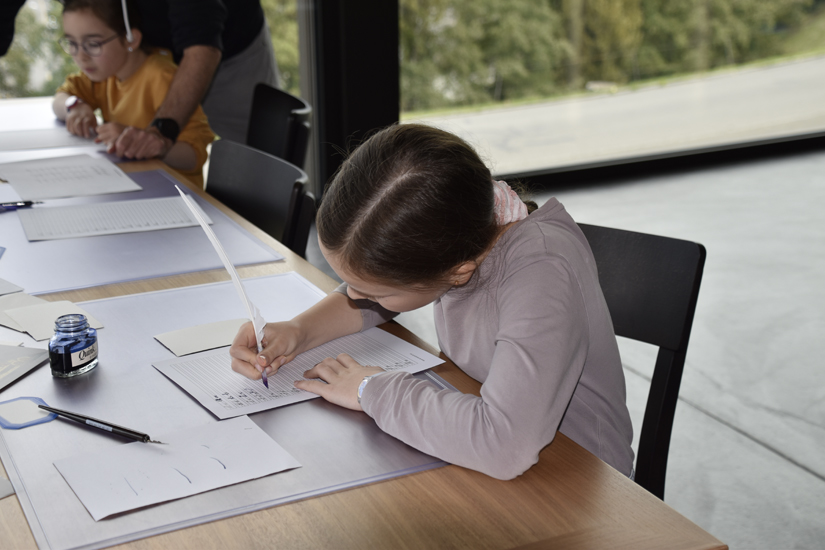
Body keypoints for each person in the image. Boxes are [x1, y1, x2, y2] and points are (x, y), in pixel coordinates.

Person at [230, 123, 635, 480]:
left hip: (577, 480)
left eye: (374, 291)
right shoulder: (461, 226)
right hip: (482, 441)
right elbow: (381, 293)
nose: (352, 297)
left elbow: (503, 444)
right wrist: (298, 331)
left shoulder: (542, 273)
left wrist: (370, 388)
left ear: (456, 271)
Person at [52, 0, 214, 185]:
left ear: (131, 39)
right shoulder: (104, 74)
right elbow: (60, 98)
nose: (81, 56)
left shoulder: (162, 77)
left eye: (93, 44)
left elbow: (194, 156)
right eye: (72, 43)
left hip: (174, 194)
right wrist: (74, 106)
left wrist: (149, 145)